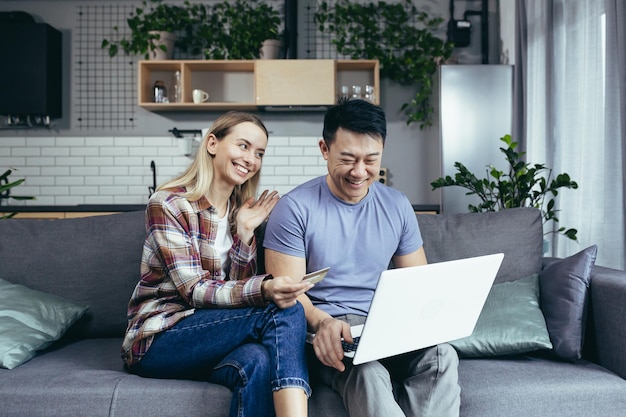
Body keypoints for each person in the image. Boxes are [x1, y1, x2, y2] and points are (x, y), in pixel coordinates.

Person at [263, 98, 461, 417]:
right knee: (367, 371)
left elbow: (417, 284)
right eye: (348, 158)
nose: (359, 172)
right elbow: (289, 297)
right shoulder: (294, 208)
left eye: (371, 159)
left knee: (442, 356)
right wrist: (324, 322)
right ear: (324, 150)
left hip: (384, 328)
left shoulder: (396, 205)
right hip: (326, 331)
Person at [121, 111, 312, 417]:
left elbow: (232, 294)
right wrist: (264, 289)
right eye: (243, 146)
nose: (251, 158)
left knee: (257, 361)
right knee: (283, 308)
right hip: (159, 338)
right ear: (212, 143)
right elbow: (194, 291)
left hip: (210, 336)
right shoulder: (168, 203)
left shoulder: (240, 211)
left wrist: (245, 232)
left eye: (259, 153)